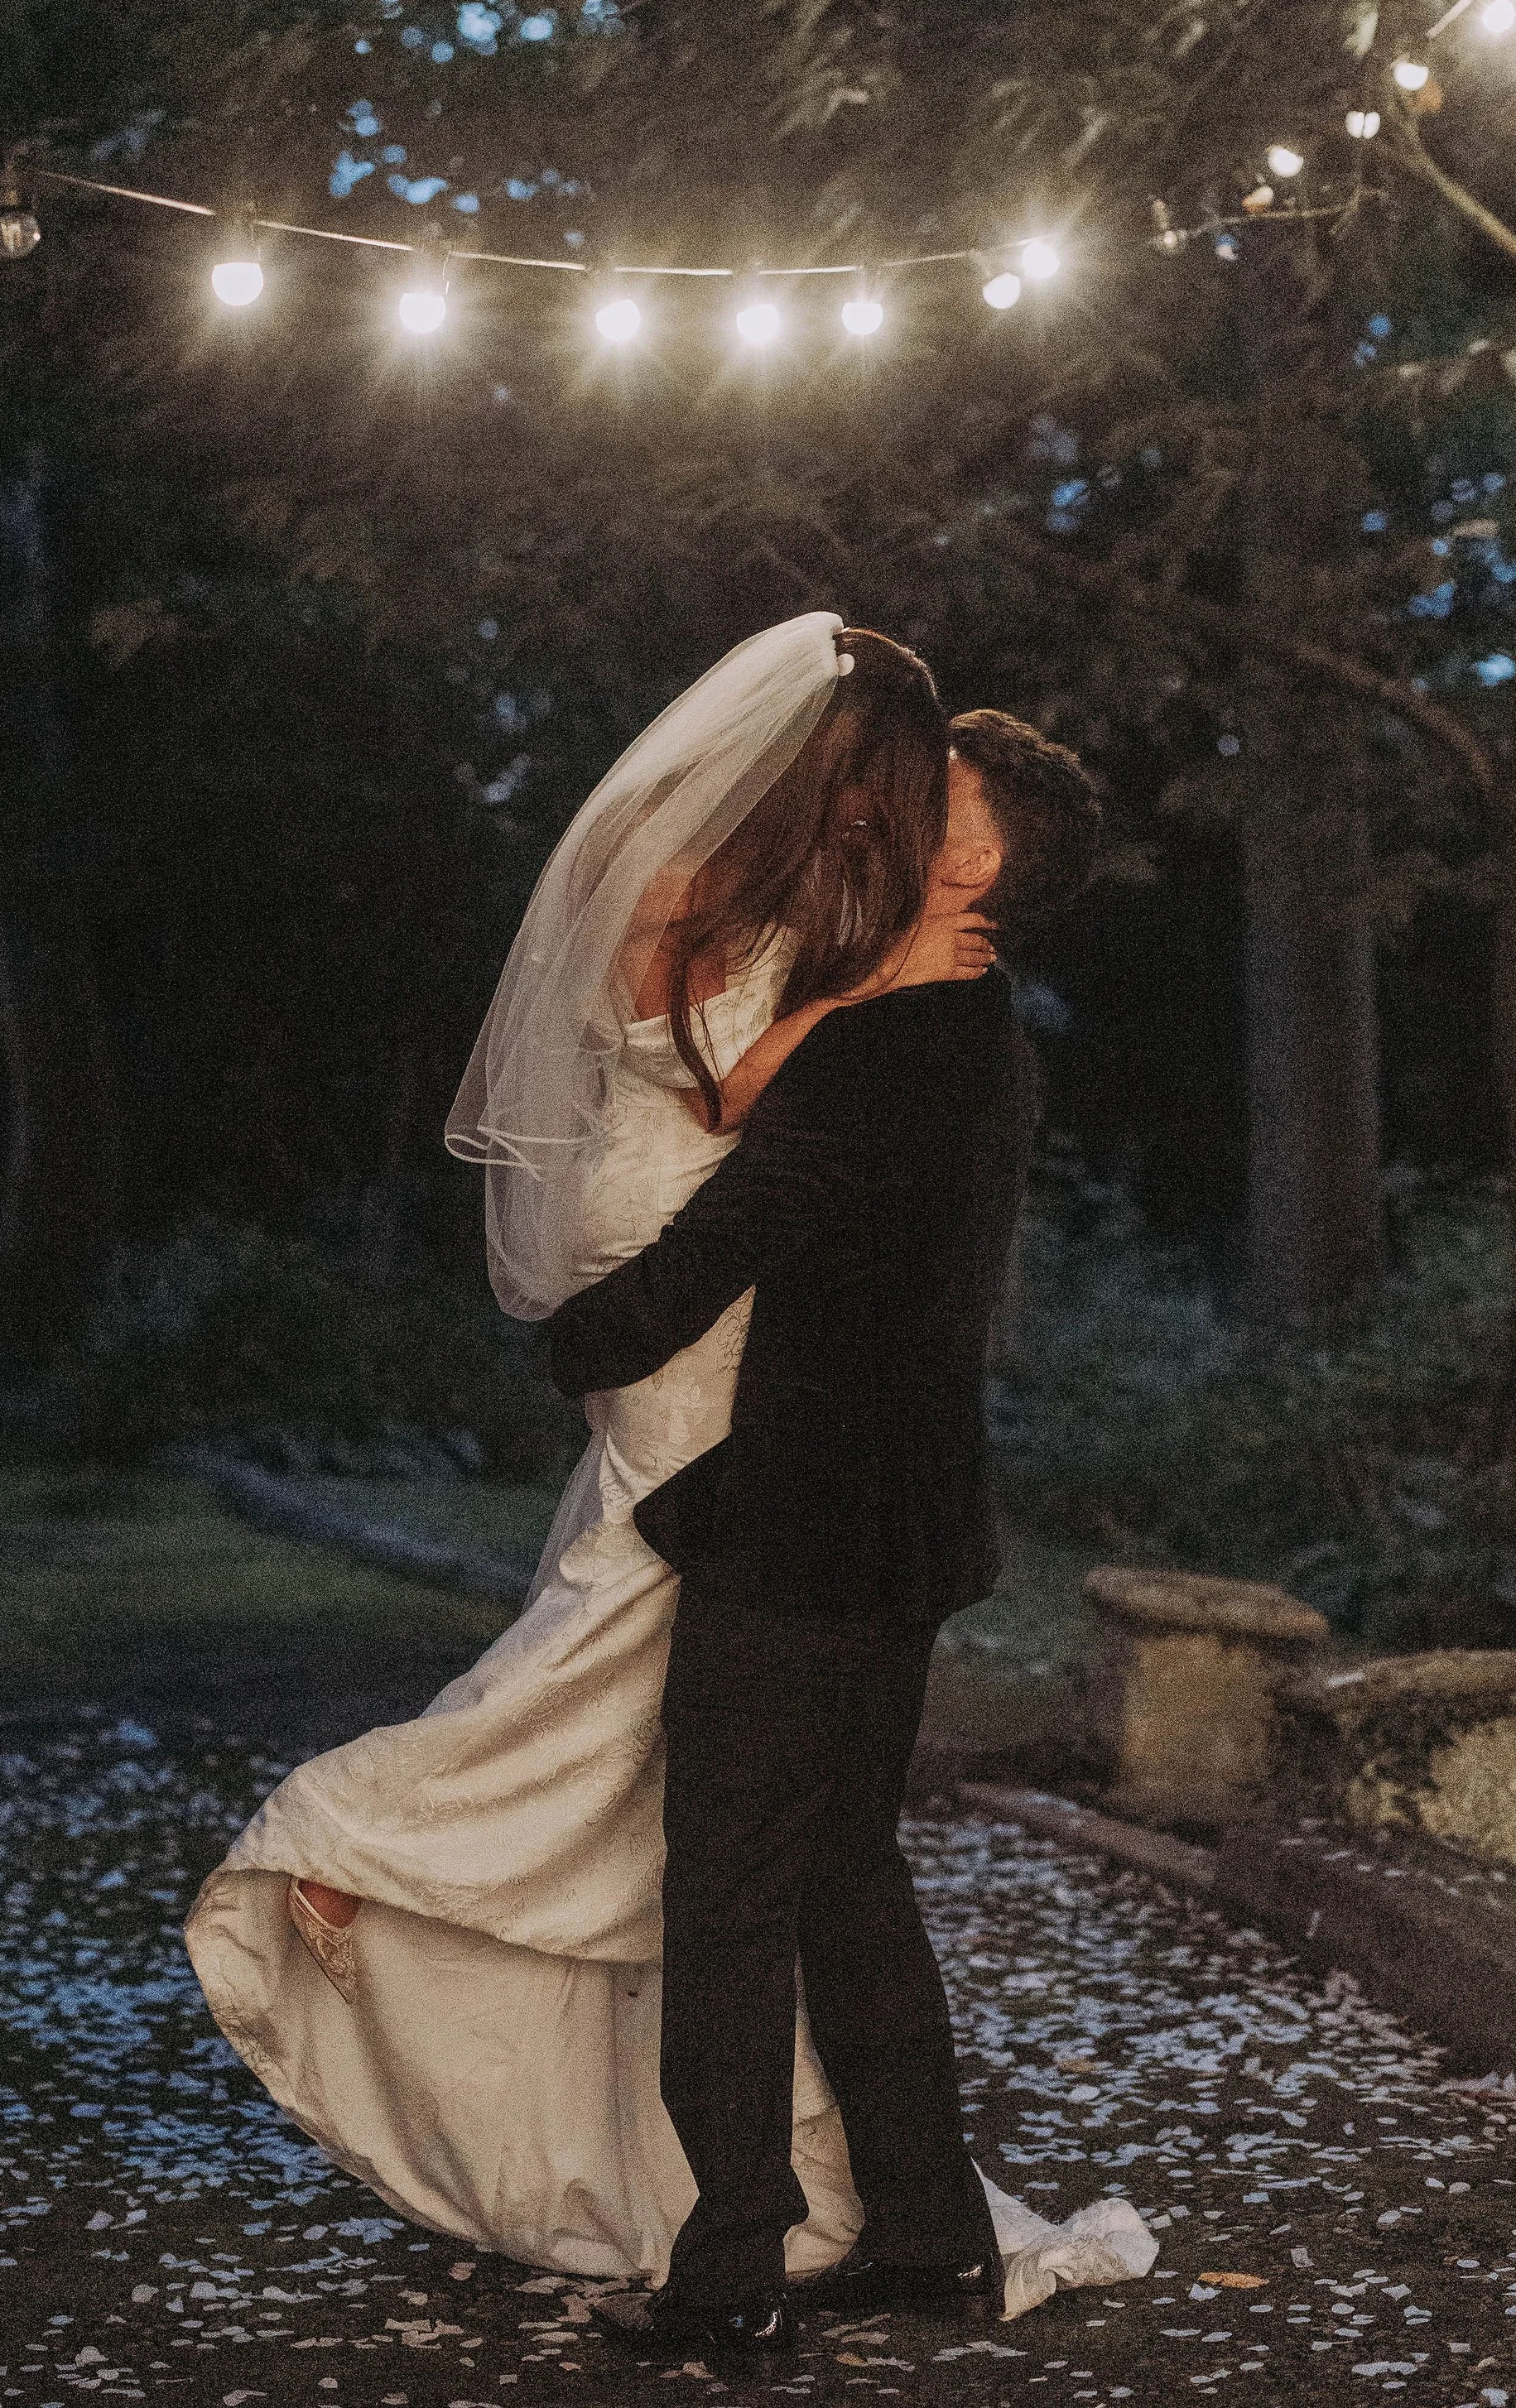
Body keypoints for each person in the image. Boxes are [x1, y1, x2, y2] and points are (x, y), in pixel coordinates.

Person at [185, 614, 970, 2281]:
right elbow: (746, 1101)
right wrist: (881, 990)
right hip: (693, 1248)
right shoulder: (771, 912)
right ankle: (353, 1835)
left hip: (636, 1218)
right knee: (630, 1609)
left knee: (635, 1622)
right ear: (839, 769)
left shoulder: (654, 859)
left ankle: (425, 1893)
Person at [544, 702, 1105, 2364]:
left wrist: (563, 1339)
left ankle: (728, 2274)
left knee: (725, 1889)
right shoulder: (980, 1026)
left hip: (808, 1522)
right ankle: (929, 2238)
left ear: (976, 860)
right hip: (913, 1515)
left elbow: (732, 1237)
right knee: (848, 1878)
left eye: (935, 796)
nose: (895, 802)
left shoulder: (887, 1047)